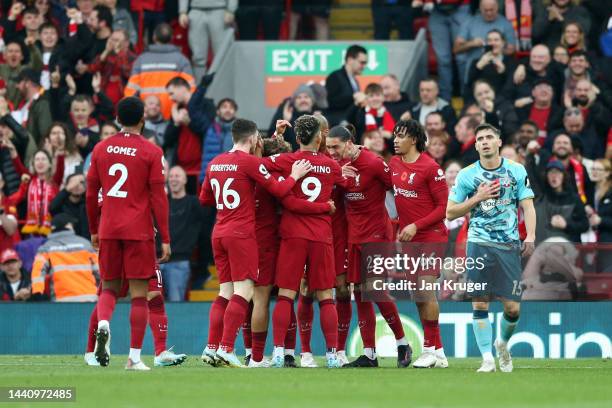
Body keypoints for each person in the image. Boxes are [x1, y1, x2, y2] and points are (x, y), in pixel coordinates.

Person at [198, 118, 313, 368]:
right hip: (241, 234)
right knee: (245, 292)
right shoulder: (249, 162)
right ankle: (228, 348)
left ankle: (211, 347)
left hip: (219, 232)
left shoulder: (215, 162)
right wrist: (293, 175)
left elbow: (204, 198)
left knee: (225, 292)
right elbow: (279, 190)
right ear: (252, 139)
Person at [85, 96, 171, 371]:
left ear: (118, 119)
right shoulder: (151, 152)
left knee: (108, 288)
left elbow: (90, 195)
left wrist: (93, 230)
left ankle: (104, 324)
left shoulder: (101, 148)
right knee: (138, 294)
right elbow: (159, 198)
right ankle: (134, 357)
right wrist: (166, 238)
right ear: (143, 119)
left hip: (108, 227)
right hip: (139, 231)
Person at [447, 122, 536, 373]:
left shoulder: (516, 170)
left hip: (508, 244)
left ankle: (502, 344)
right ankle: (487, 358)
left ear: (499, 142)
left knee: (512, 308)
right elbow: (450, 211)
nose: (484, 141)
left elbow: (527, 206)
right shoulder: (466, 175)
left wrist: (530, 236)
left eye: (489, 137)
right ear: (475, 145)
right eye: (480, 139)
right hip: (478, 242)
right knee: (480, 303)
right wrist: (477, 198)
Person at [261, 115, 349, 369]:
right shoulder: (331, 165)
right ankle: (332, 355)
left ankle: (278, 352)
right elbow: (346, 183)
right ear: (320, 137)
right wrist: (326, 206)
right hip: (321, 236)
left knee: (287, 295)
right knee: (326, 297)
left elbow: (262, 163)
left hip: (293, 234)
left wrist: (277, 139)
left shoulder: (288, 161)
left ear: (297, 138)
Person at [326, 124, 412, 368]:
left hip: (377, 233)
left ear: (349, 143)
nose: (331, 151)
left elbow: (397, 189)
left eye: (336, 146)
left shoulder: (373, 163)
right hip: (354, 236)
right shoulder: (337, 167)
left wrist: (406, 222)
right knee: (359, 292)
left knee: (373, 289)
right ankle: (370, 354)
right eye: (329, 147)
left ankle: (403, 343)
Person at [389, 119, 449, 368]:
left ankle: (427, 351)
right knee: (418, 295)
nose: (395, 139)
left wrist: (415, 225)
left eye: (400, 135)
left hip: (432, 236)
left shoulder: (431, 168)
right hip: (409, 240)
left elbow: (443, 208)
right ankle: (439, 351)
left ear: (414, 139)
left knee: (425, 289)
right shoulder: (393, 164)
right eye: (394, 135)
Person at [124, 23, 195, 120]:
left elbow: (130, 93)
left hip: (148, 116)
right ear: (171, 38)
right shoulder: (182, 60)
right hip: (174, 116)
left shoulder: (141, 60)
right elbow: (190, 90)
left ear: (154, 37)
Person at [30, 213, 99, 302]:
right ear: (69, 226)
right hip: (89, 299)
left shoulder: (46, 248)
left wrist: (37, 292)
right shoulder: (85, 244)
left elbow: (38, 271)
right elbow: (99, 271)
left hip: (62, 302)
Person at [164, 76, 215, 194]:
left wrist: (188, 122)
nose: (171, 98)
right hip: (180, 169)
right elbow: (167, 140)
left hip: (201, 169)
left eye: (172, 93)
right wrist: (176, 123)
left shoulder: (206, 104)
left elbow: (208, 131)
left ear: (182, 88)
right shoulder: (177, 109)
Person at [412, 0, 471, 101]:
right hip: (437, 12)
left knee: (462, 58)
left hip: (461, 7)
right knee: (443, 60)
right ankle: (445, 101)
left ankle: (468, 98)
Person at [453, 0, 516, 90]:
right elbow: (456, 49)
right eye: (485, 10)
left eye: (492, 10)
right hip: (475, 71)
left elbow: (512, 49)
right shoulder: (470, 22)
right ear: (480, 9)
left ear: (497, 8)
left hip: (498, 72)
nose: (489, 13)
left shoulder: (505, 24)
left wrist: (496, 48)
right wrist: (471, 43)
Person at [163, 166, 203, 301]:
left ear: (185, 180)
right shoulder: (162, 203)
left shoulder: (194, 203)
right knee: (152, 308)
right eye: (171, 176)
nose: (174, 179)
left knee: (175, 305)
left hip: (179, 262)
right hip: (156, 262)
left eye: (177, 176)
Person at [535, 160, 589, 243]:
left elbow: (585, 225)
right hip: (544, 247)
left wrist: (566, 225)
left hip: (569, 248)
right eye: (551, 173)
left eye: (557, 172)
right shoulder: (541, 197)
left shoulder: (574, 199)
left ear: (564, 176)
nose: (554, 176)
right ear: (546, 176)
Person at [325, 45, 368, 127]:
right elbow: (331, 102)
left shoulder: (355, 81)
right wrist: (353, 97)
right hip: (338, 127)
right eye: (362, 62)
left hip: (351, 127)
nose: (364, 66)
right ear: (350, 60)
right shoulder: (335, 76)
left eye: (365, 63)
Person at [465, 29, 515, 99]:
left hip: (502, 101)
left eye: (496, 40)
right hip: (480, 100)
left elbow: (510, 87)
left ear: (503, 43)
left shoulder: (511, 62)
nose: (492, 43)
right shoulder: (476, 62)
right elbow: (469, 86)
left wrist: (503, 72)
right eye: (489, 40)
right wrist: (478, 68)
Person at [515, 78, 563, 145]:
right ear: (533, 92)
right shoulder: (522, 111)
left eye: (548, 88)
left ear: (552, 93)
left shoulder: (560, 113)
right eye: (540, 88)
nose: (544, 90)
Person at [588, 159, 612, 273]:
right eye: (593, 169)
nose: (594, 172)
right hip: (591, 238)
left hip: (608, 243)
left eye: (598, 169)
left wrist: (601, 221)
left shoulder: (610, 192)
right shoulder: (590, 190)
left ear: (607, 173)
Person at [49, 173, 89, 240]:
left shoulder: (88, 203)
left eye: (81, 182)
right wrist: (67, 189)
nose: (77, 185)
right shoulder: (61, 204)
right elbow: (52, 208)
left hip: (87, 244)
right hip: (66, 244)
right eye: (73, 183)